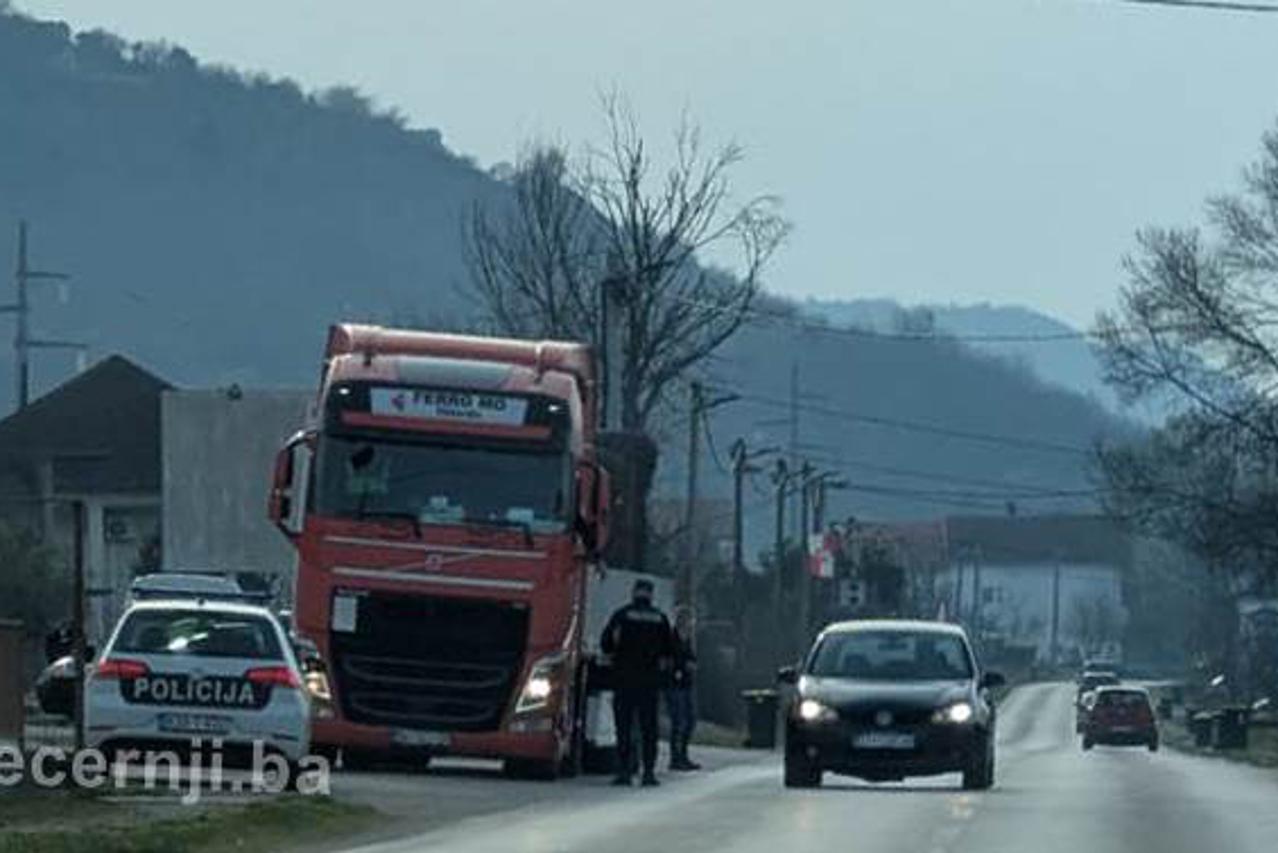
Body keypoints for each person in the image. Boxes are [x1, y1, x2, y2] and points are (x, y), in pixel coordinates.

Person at [600, 578, 674, 788]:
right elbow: (669, 651)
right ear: (651, 594)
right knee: (649, 728)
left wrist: (617, 656)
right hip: (649, 683)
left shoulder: (622, 615)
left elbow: (606, 643)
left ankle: (624, 771)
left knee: (624, 727)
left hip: (624, 680)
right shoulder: (660, 618)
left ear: (634, 593)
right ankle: (648, 772)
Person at [666, 606, 701, 771]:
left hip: (687, 684)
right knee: (678, 721)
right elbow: (670, 659)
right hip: (674, 684)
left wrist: (693, 665)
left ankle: (684, 754)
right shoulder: (671, 638)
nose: (689, 623)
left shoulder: (688, 640)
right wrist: (682, 666)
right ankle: (675, 757)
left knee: (690, 720)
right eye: (686, 619)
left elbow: (692, 657)